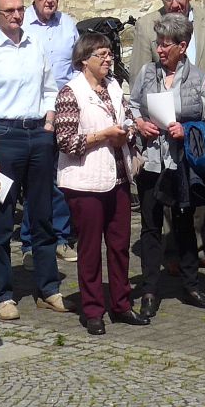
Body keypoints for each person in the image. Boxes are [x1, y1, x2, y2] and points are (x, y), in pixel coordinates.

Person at [0, 0, 63, 321]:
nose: (16, 15)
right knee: (2, 216)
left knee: (42, 214)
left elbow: (50, 87)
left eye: (20, 9)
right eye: (8, 11)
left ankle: (48, 288)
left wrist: (49, 123)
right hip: (3, 136)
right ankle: (2, 294)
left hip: (37, 134)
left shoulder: (34, 44)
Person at [52, 35, 147, 334]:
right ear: (84, 60)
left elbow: (129, 120)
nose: (108, 59)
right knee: (90, 249)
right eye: (102, 55)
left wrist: (127, 134)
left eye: (110, 54)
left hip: (118, 178)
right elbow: (65, 141)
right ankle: (93, 310)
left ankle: (121, 305)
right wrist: (103, 135)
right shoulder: (71, 93)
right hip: (85, 183)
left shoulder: (114, 87)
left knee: (119, 246)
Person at [130, 13, 205, 316]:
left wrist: (188, 129)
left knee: (184, 224)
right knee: (151, 227)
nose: (159, 49)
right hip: (151, 162)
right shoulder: (147, 72)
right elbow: (132, 105)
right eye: (158, 42)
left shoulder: (198, 79)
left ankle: (191, 284)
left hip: (181, 163)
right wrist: (140, 123)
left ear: (182, 46)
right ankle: (149, 289)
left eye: (166, 44)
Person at [19, 0, 78, 257]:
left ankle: (61, 237)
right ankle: (30, 240)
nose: (50, 0)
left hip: (65, 110)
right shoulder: (22, 26)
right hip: (34, 111)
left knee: (62, 175)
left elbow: (77, 66)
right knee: (35, 179)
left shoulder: (69, 25)